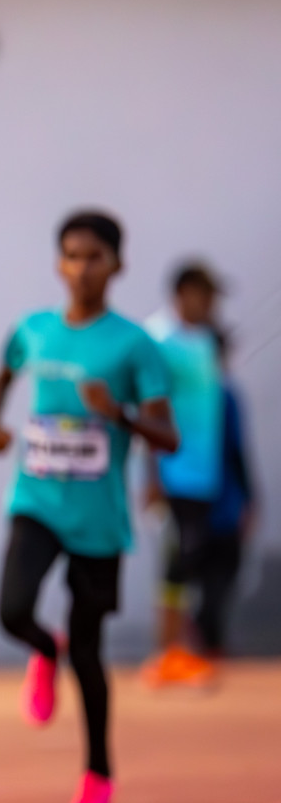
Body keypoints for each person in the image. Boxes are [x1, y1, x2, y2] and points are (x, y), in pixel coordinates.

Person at [0, 210, 177, 803]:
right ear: (58, 263)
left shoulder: (134, 345)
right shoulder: (35, 330)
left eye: (94, 256)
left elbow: (167, 435)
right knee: (13, 611)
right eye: (72, 255)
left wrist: (117, 411)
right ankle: (45, 648)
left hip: (98, 518)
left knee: (90, 654)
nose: (82, 268)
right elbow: (3, 373)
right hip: (36, 501)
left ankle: (97, 776)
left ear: (117, 265)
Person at [138, 263, 226, 687]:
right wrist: (150, 475)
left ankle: (181, 650)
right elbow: (148, 409)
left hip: (204, 472)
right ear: (184, 292)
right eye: (205, 294)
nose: (212, 304)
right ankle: (166, 653)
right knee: (176, 560)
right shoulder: (159, 339)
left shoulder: (206, 338)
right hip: (172, 471)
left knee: (192, 561)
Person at [195, 336, 257, 659]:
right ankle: (205, 647)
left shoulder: (224, 396)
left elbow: (236, 451)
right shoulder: (220, 396)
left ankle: (208, 646)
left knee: (214, 583)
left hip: (219, 505)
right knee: (210, 583)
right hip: (204, 505)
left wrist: (249, 499)